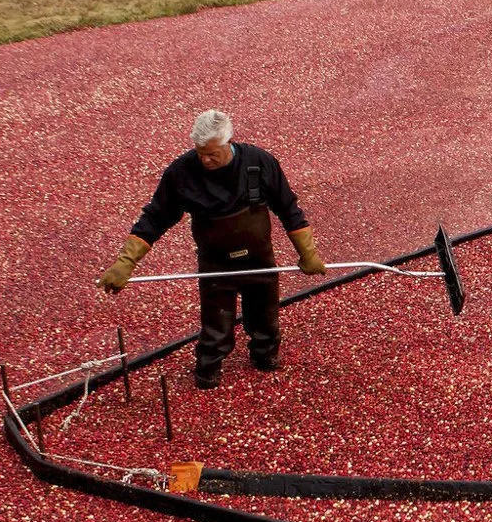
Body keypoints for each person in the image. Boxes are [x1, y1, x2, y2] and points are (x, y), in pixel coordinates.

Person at [98, 110, 325, 388]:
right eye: (200, 153)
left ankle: (265, 356)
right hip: (216, 263)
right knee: (216, 323)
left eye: (212, 153)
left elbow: (288, 208)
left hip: (259, 259)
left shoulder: (259, 163)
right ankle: (208, 370)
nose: (205, 160)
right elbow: (155, 217)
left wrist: (308, 253)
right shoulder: (181, 173)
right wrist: (126, 262)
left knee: (265, 315)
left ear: (229, 141)